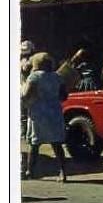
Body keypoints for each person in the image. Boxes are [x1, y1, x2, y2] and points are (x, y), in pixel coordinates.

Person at [21, 52, 68, 182]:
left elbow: (26, 95)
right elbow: (64, 96)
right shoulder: (58, 77)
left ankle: (30, 171)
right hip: (55, 112)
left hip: (38, 112)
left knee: (35, 143)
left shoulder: (34, 77)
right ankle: (63, 172)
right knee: (56, 143)